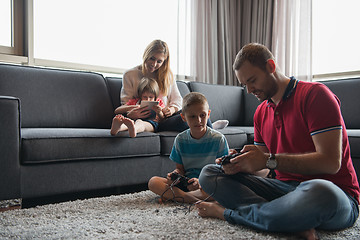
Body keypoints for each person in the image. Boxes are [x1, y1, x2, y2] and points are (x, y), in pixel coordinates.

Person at [195, 43, 359, 240]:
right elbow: (265, 170)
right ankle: (288, 219)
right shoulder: (261, 113)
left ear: (271, 66)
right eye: (244, 84)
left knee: (321, 191)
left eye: (252, 80)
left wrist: (267, 160)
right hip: (282, 190)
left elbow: (331, 163)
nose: (248, 90)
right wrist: (243, 164)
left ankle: (228, 213)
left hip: (333, 194)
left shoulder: (316, 96)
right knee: (209, 174)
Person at [148, 92, 229, 203]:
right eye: (192, 116)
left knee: (223, 188)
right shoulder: (180, 139)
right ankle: (190, 198)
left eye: (202, 115)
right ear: (183, 117)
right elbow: (180, 169)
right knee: (153, 182)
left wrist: (200, 182)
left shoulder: (218, 139)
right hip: (188, 184)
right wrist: (175, 176)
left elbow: (223, 171)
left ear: (208, 114)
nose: (198, 120)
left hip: (208, 184)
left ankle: (176, 196)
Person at [121, 39, 212, 132]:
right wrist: (132, 113)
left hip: (167, 118)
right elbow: (126, 103)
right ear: (146, 55)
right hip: (151, 120)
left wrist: (172, 109)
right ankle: (212, 133)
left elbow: (178, 100)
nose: (154, 64)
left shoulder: (167, 75)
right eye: (152, 58)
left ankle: (216, 138)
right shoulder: (130, 75)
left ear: (164, 61)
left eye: (159, 61)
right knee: (189, 120)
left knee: (197, 112)